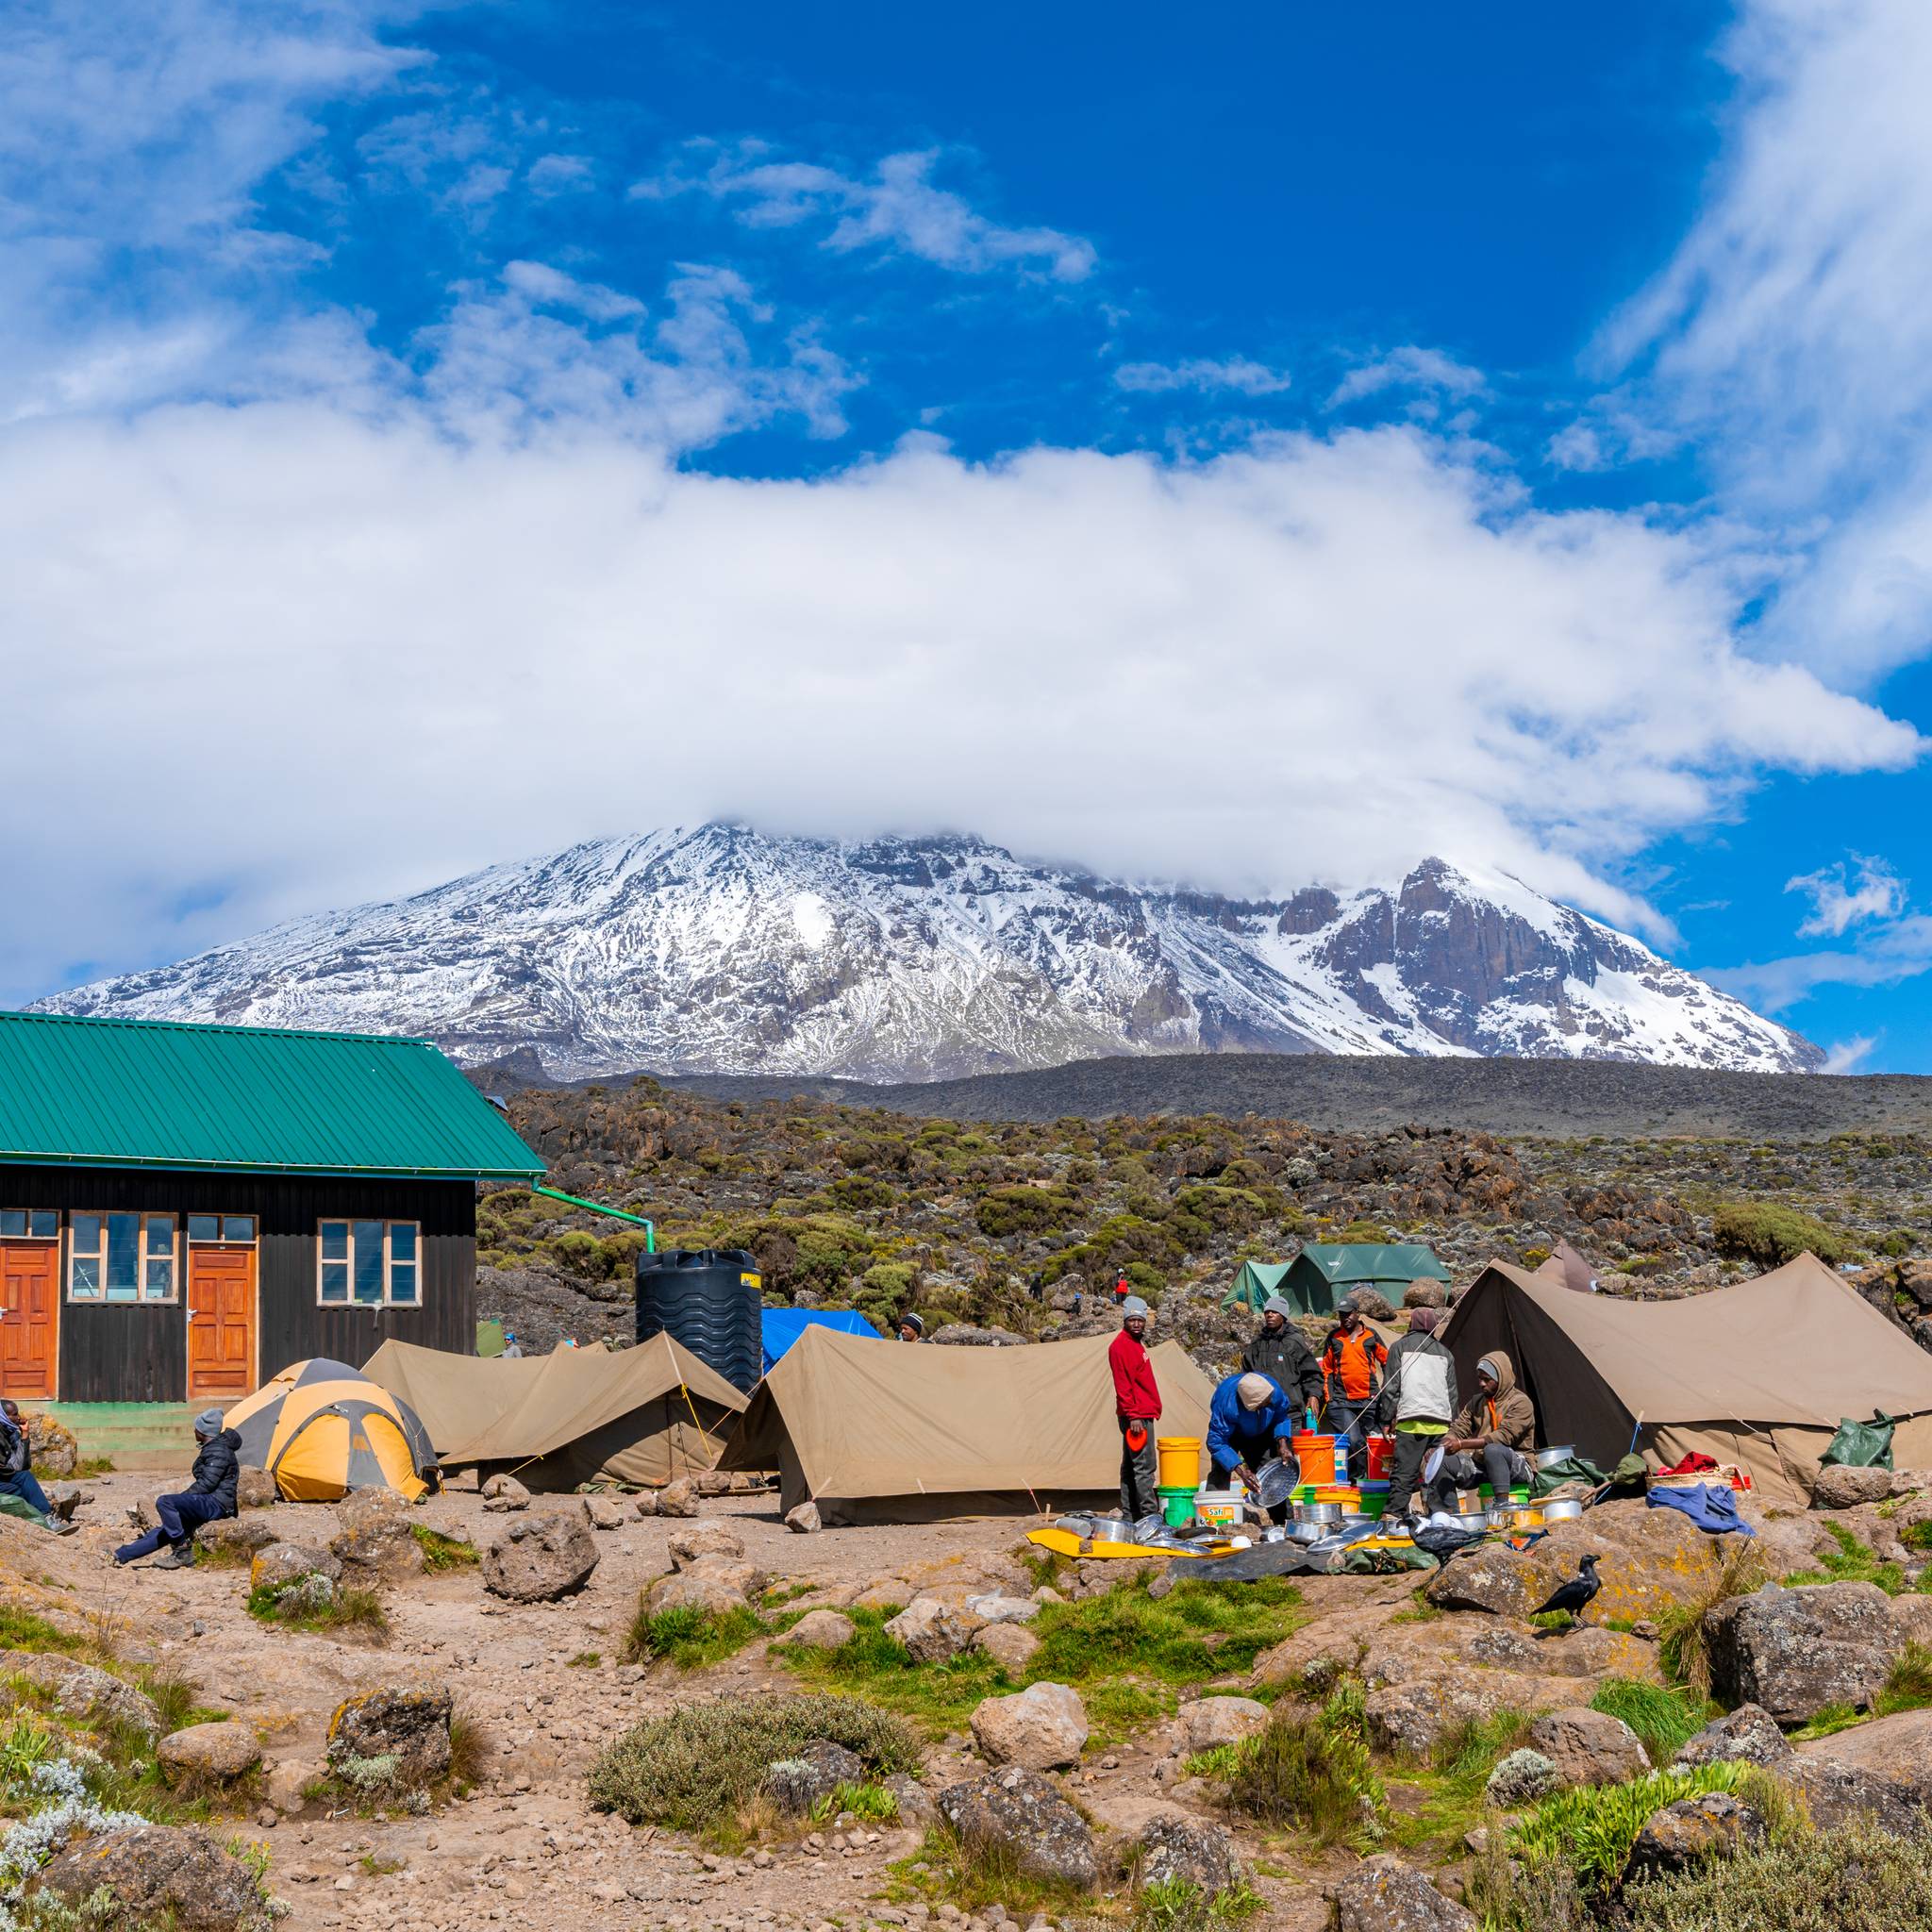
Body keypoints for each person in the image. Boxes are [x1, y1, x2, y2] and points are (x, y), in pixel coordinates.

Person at [111, 1410, 242, 1569]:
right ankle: (121, 1555)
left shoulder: (219, 1451)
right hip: (209, 1501)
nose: (194, 1431)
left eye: (196, 1428)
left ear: (202, 1431)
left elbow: (207, 1483)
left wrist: (182, 1500)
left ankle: (182, 1550)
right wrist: (184, 1502)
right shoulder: (215, 1448)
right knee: (166, 1530)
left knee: (165, 1502)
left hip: (218, 1504)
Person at [1372, 1307, 1458, 1521]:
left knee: (1405, 1472)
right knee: (1438, 1472)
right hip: (1440, 1422)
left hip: (1411, 1420)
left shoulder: (1399, 1347)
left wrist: (1385, 1418)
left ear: (1411, 1325)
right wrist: (1453, 1425)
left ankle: (1393, 1514)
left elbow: (1391, 1387)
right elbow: (1452, 1393)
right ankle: (1443, 1516)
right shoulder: (1446, 1353)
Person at [1430, 1351, 1536, 1510]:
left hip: (1516, 1466)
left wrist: (1461, 1444)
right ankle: (1447, 1516)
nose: (1481, 1384)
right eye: (1480, 1378)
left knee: (1493, 1450)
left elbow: (1502, 1437)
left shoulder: (1521, 1402)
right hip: (1483, 1465)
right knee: (1442, 1462)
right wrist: (1443, 1445)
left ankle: (1502, 1506)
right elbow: (1459, 1428)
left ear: (1501, 1379)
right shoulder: (1477, 1402)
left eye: (1487, 1380)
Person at [1206, 1371, 1296, 1516]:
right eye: (1264, 1404)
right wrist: (1241, 1472)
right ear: (1252, 1406)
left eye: (1269, 1401)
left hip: (1261, 1430)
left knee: (1268, 1472)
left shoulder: (1273, 1391)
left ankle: (1283, 1520)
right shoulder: (1225, 1404)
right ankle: (1214, 1517)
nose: (1269, 1404)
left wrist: (1283, 1444)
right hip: (1230, 1435)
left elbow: (1281, 1417)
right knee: (1220, 1472)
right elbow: (1216, 1442)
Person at [1108, 1295, 1161, 1522]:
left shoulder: (1135, 1343)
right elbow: (1123, 1385)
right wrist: (1134, 1415)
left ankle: (1131, 1515)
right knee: (1144, 1466)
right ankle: (1149, 1516)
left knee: (1131, 1466)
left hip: (1142, 1412)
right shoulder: (1120, 1346)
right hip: (1137, 1416)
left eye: (1140, 1320)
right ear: (1125, 1320)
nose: (1137, 1324)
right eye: (1132, 1320)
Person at [1240, 1295, 1324, 1424]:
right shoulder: (1258, 1342)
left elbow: (1311, 1374)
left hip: (1291, 1413)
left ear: (1283, 1316)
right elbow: (1246, 1375)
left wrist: (1314, 1396)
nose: (1269, 1315)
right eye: (1267, 1312)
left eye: (1274, 1312)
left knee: (1288, 1444)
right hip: (1262, 1413)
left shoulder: (1295, 1341)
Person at [0, 1401, 73, 1534]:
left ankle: (42, 1520)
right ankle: (46, 1519)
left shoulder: (10, 1432)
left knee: (19, 1488)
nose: (19, 1417)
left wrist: (25, 1435)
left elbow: (22, 1465)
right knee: (23, 1480)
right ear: (4, 1416)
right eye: (14, 1415)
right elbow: (13, 1468)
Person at [1321, 1304, 1390, 1443]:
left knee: (1372, 1441)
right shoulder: (1333, 1337)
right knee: (1353, 1440)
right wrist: (1330, 1398)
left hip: (1370, 1400)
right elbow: (1326, 1369)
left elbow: (1387, 1361)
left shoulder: (1371, 1334)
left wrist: (1384, 1392)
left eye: (1348, 1314)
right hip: (1342, 1402)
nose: (1345, 1318)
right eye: (1341, 1315)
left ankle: (1365, 1466)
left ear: (1358, 1313)